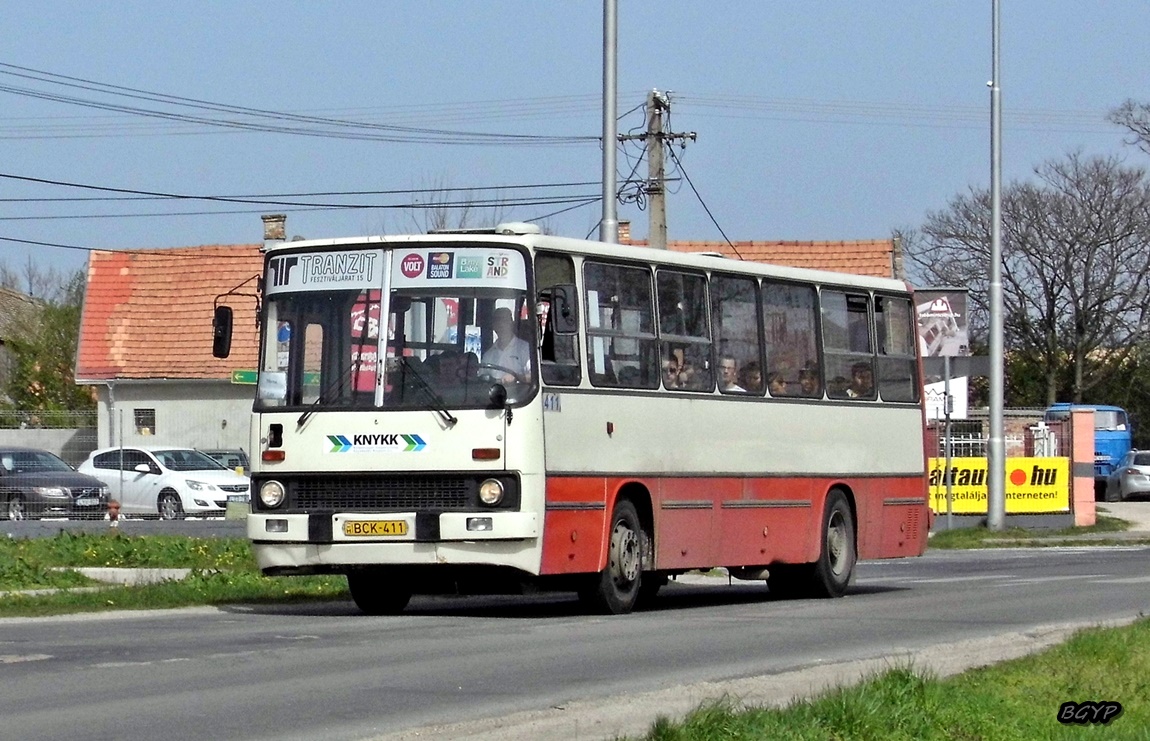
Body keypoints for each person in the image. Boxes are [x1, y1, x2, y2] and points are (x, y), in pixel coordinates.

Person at [481, 307, 532, 383]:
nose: (501, 325)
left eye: (504, 321)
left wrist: (516, 377)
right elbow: (481, 379)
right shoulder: (488, 355)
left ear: (511, 323)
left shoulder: (525, 349)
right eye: (498, 322)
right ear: (494, 326)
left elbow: (534, 377)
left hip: (521, 393)